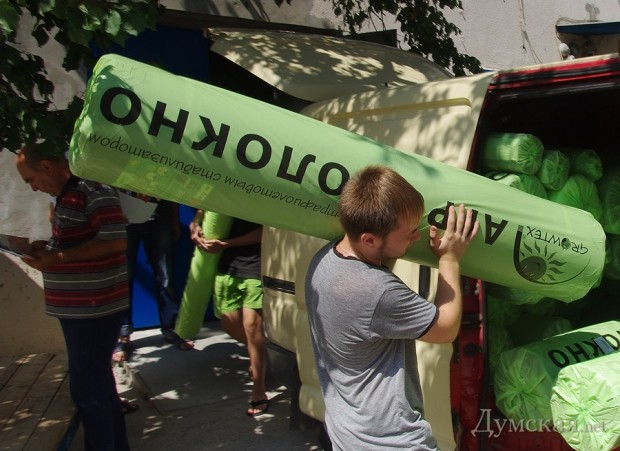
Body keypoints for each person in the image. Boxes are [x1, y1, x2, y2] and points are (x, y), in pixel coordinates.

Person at [305, 165, 480, 450]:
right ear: (370, 239)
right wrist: (449, 259)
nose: (416, 237)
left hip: (347, 431)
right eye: (409, 232)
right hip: (392, 440)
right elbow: (445, 328)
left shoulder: (324, 258)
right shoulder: (378, 292)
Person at [15, 143, 130, 450]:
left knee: (88, 392)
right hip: (80, 310)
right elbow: (78, 242)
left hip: (94, 309)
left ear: (47, 167)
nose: (33, 187)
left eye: (30, 180)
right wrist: (46, 250)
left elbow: (115, 241)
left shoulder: (93, 188)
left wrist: (57, 258)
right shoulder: (68, 194)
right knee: (98, 387)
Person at [189, 210, 268, 416]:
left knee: (252, 327)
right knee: (230, 325)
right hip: (226, 266)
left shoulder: (260, 196)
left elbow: (267, 230)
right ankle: (261, 354)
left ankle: (258, 390)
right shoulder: (222, 194)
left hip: (255, 265)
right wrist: (196, 222)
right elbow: (203, 206)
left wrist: (227, 243)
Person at [113, 194, 193, 363]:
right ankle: (123, 335)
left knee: (166, 276)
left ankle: (171, 329)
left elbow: (171, 185)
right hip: (125, 214)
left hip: (160, 215)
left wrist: (175, 219)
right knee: (123, 277)